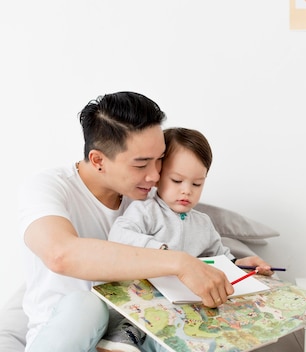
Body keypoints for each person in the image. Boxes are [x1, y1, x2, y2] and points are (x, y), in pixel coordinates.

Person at [19, 92, 236, 352]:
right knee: (87, 305)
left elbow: (197, 242)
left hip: (136, 334)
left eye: (160, 160)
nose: (155, 175)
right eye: (142, 164)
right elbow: (61, 254)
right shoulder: (49, 187)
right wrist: (178, 262)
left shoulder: (155, 201)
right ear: (99, 160)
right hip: (69, 336)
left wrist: (235, 265)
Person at [97, 127, 274, 352]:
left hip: (186, 306)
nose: (187, 191)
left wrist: (241, 265)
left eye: (197, 184)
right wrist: (161, 251)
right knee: (147, 320)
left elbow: (220, 259)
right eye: (177, 180)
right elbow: (119, 235)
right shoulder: (145, 211)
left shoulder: (203, 223)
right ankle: (123, 335)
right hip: (145, 302)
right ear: (159, 174)